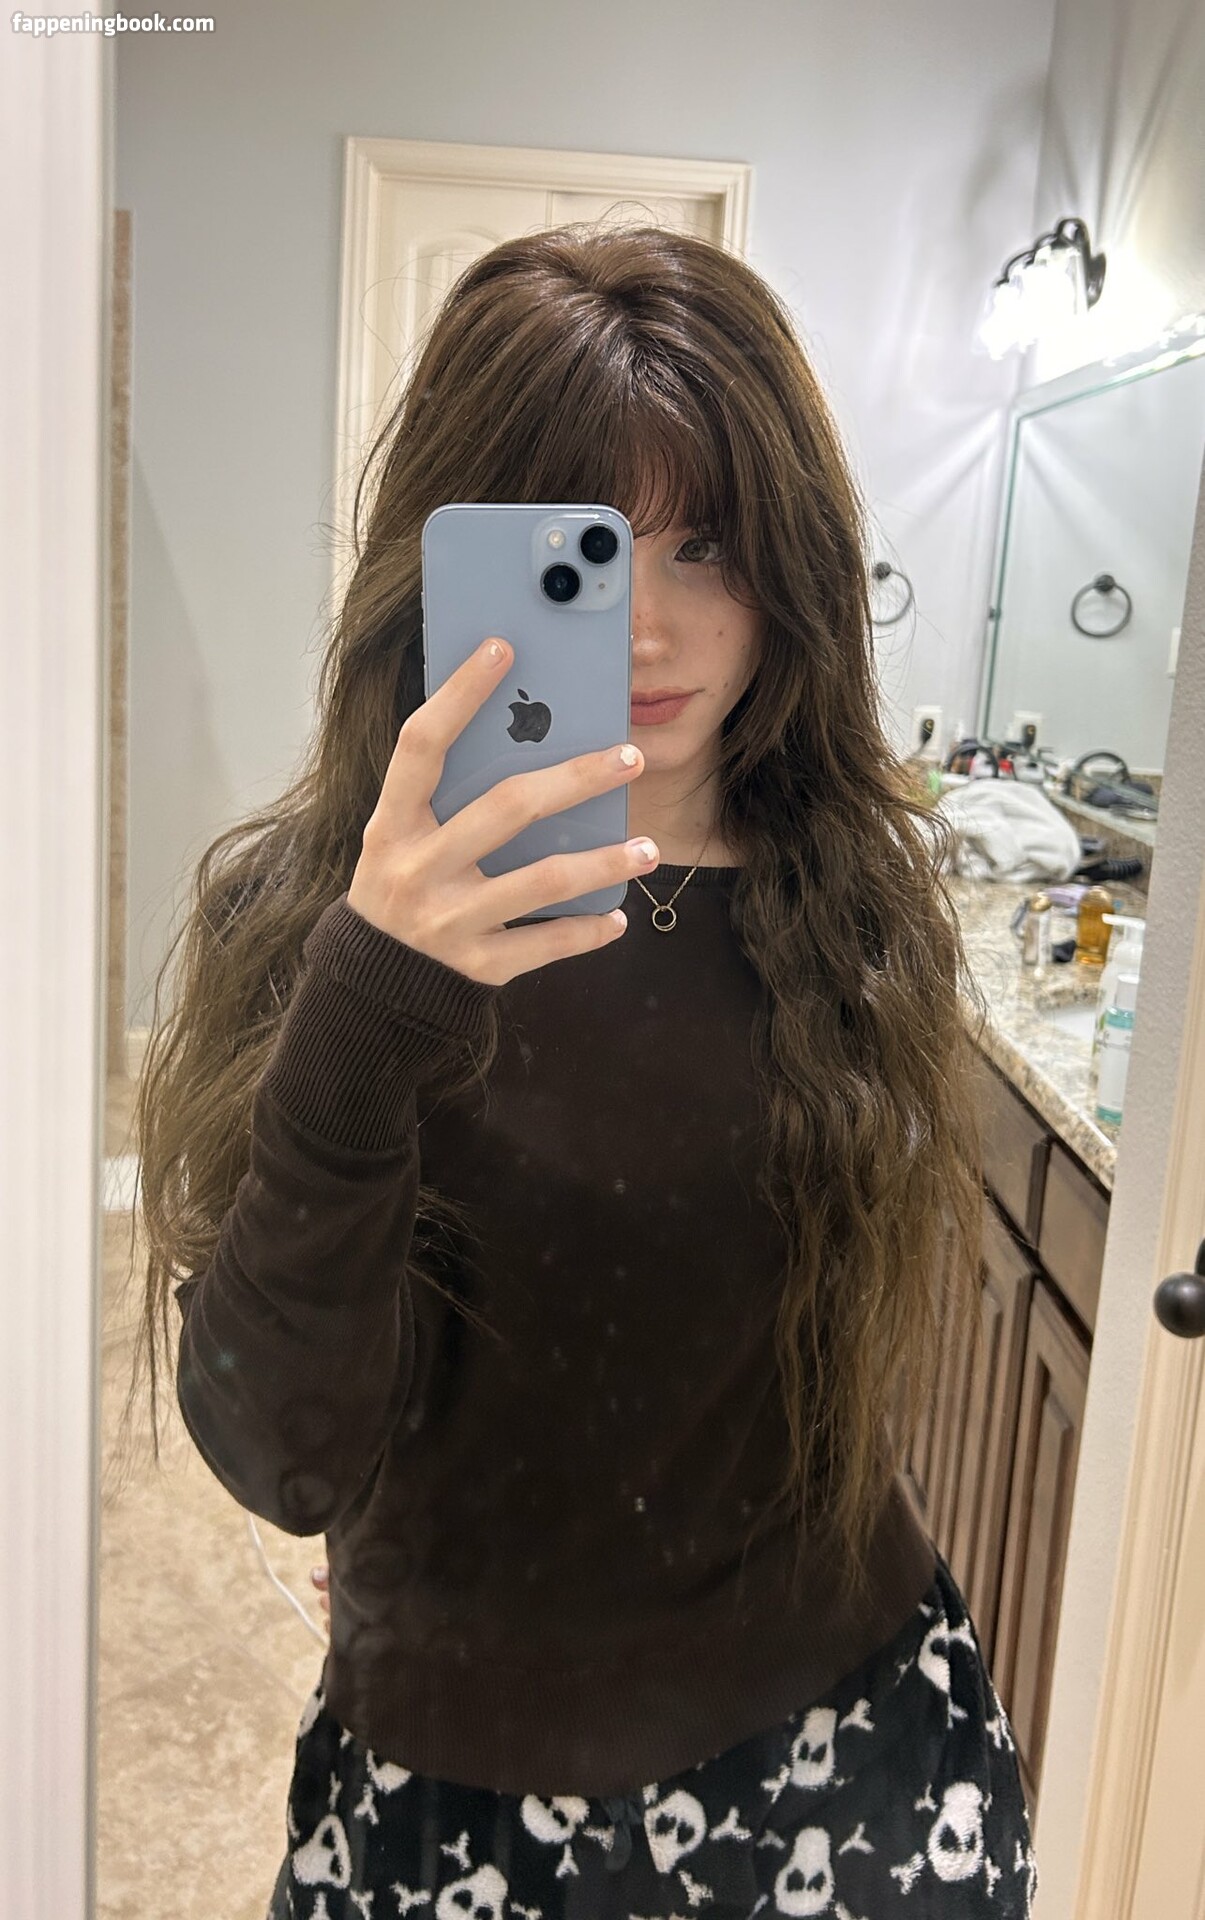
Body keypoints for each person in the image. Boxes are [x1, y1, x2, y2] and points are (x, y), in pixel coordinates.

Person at [131, 223, 1038, 1918]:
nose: (650, 628)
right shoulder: (314, 918)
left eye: (707, 542)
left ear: (791, 558)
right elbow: (277, 1458)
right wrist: (365, 1006)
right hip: (459, 1785)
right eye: (583, 548)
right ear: (451, 558)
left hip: (854, 1750)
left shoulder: (852, 898)